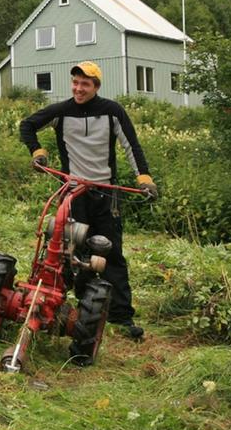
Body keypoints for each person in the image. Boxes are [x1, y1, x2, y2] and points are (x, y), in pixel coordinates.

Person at [19, 61, 158, 343]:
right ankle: (66, 306)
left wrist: (143, 178)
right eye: (75, 82)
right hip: (73, 192)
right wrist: (37, 151)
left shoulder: (112, 112)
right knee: (69, 251)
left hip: (105, 193)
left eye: (85, 84)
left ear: (96, 86)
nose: (78, 88)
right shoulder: (61, 111)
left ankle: (121, 316)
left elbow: (131, 145)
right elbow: (28, 125)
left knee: (112, 253)